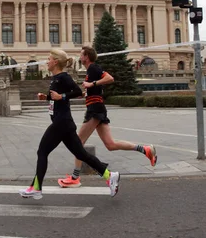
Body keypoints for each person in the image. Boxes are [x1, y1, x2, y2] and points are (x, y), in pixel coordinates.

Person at [19, 49, 120, 200]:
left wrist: (62, 96)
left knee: (42, 152)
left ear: (55, 62)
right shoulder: (55, 78)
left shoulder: (64, 77)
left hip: (62, 122)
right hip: (65, 124)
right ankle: (110, 175)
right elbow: (57, 98)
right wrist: (46, 97)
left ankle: (36, 187)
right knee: (81, 154)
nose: (47, 61)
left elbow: (77, 91)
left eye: (49, 59)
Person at [58, 46, 157, 188]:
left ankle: (75, 177)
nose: (80, 57)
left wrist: (91, 84)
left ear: (86, 57)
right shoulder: (90, 71)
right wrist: (88, 91)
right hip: (97, 108)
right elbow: (96, 87)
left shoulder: (93, 68)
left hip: (95, 109)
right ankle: (145, 149)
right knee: (111, 144)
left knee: (78, 142)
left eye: (81, 55)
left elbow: (110, 78)